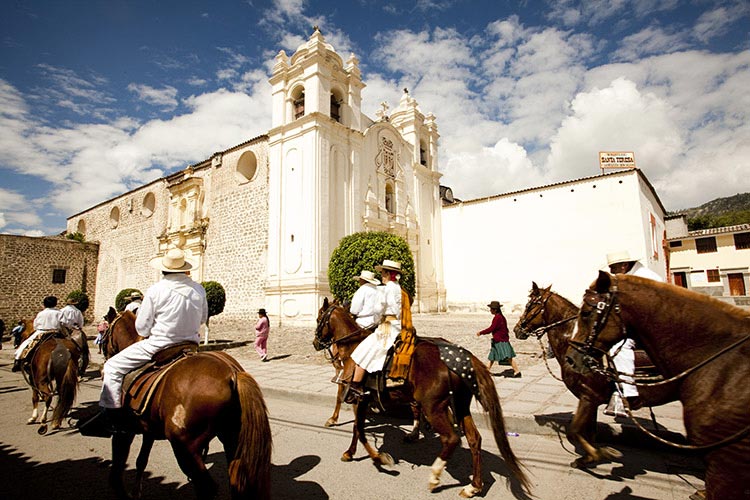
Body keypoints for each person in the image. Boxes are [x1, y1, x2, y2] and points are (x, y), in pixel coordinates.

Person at [84, 248, 208, 434]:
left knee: (112, 367)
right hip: (191, 346)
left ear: (163, 269)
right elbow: (202, 318)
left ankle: (113, 419)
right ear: (185, 269)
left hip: (160, 345)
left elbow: (141, 328)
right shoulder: (199, 289)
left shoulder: (156, 289)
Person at [604, 250, 664, 417]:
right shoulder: (629, 277)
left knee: (619, 347)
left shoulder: (643, 279)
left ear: (624, 266)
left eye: (613, 267)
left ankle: (627, 394)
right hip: (643, 321)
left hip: (653, 324)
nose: (611, 271)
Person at [345, 259, 402, 402]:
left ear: (388, 274)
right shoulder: (398, 287)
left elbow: (378, 309)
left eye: (383, 272)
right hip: (398, 324)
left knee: (362, 351)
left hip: (387, 328)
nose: (382, 275)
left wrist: (377, 318)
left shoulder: (387, 288)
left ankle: (356, 386)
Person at [12, 296, 62, 371]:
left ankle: (18, 360)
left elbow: (35, 325)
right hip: (56, 332)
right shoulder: (59, 313)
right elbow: (64, 323)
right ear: (55, 304)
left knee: (25, 344)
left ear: (44, 304)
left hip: (41, 332)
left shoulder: (41, 313)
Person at [477, 301, 521, 377]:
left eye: (491, 309)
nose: (490, 310)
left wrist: (481, 332)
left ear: (495, 310)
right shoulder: (501, 317)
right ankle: (487, 371)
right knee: (492, 356)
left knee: (508, 357)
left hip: (500, 341)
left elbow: (491, 328)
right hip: (499, 340)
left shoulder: (497, 318)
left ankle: (517, 371)